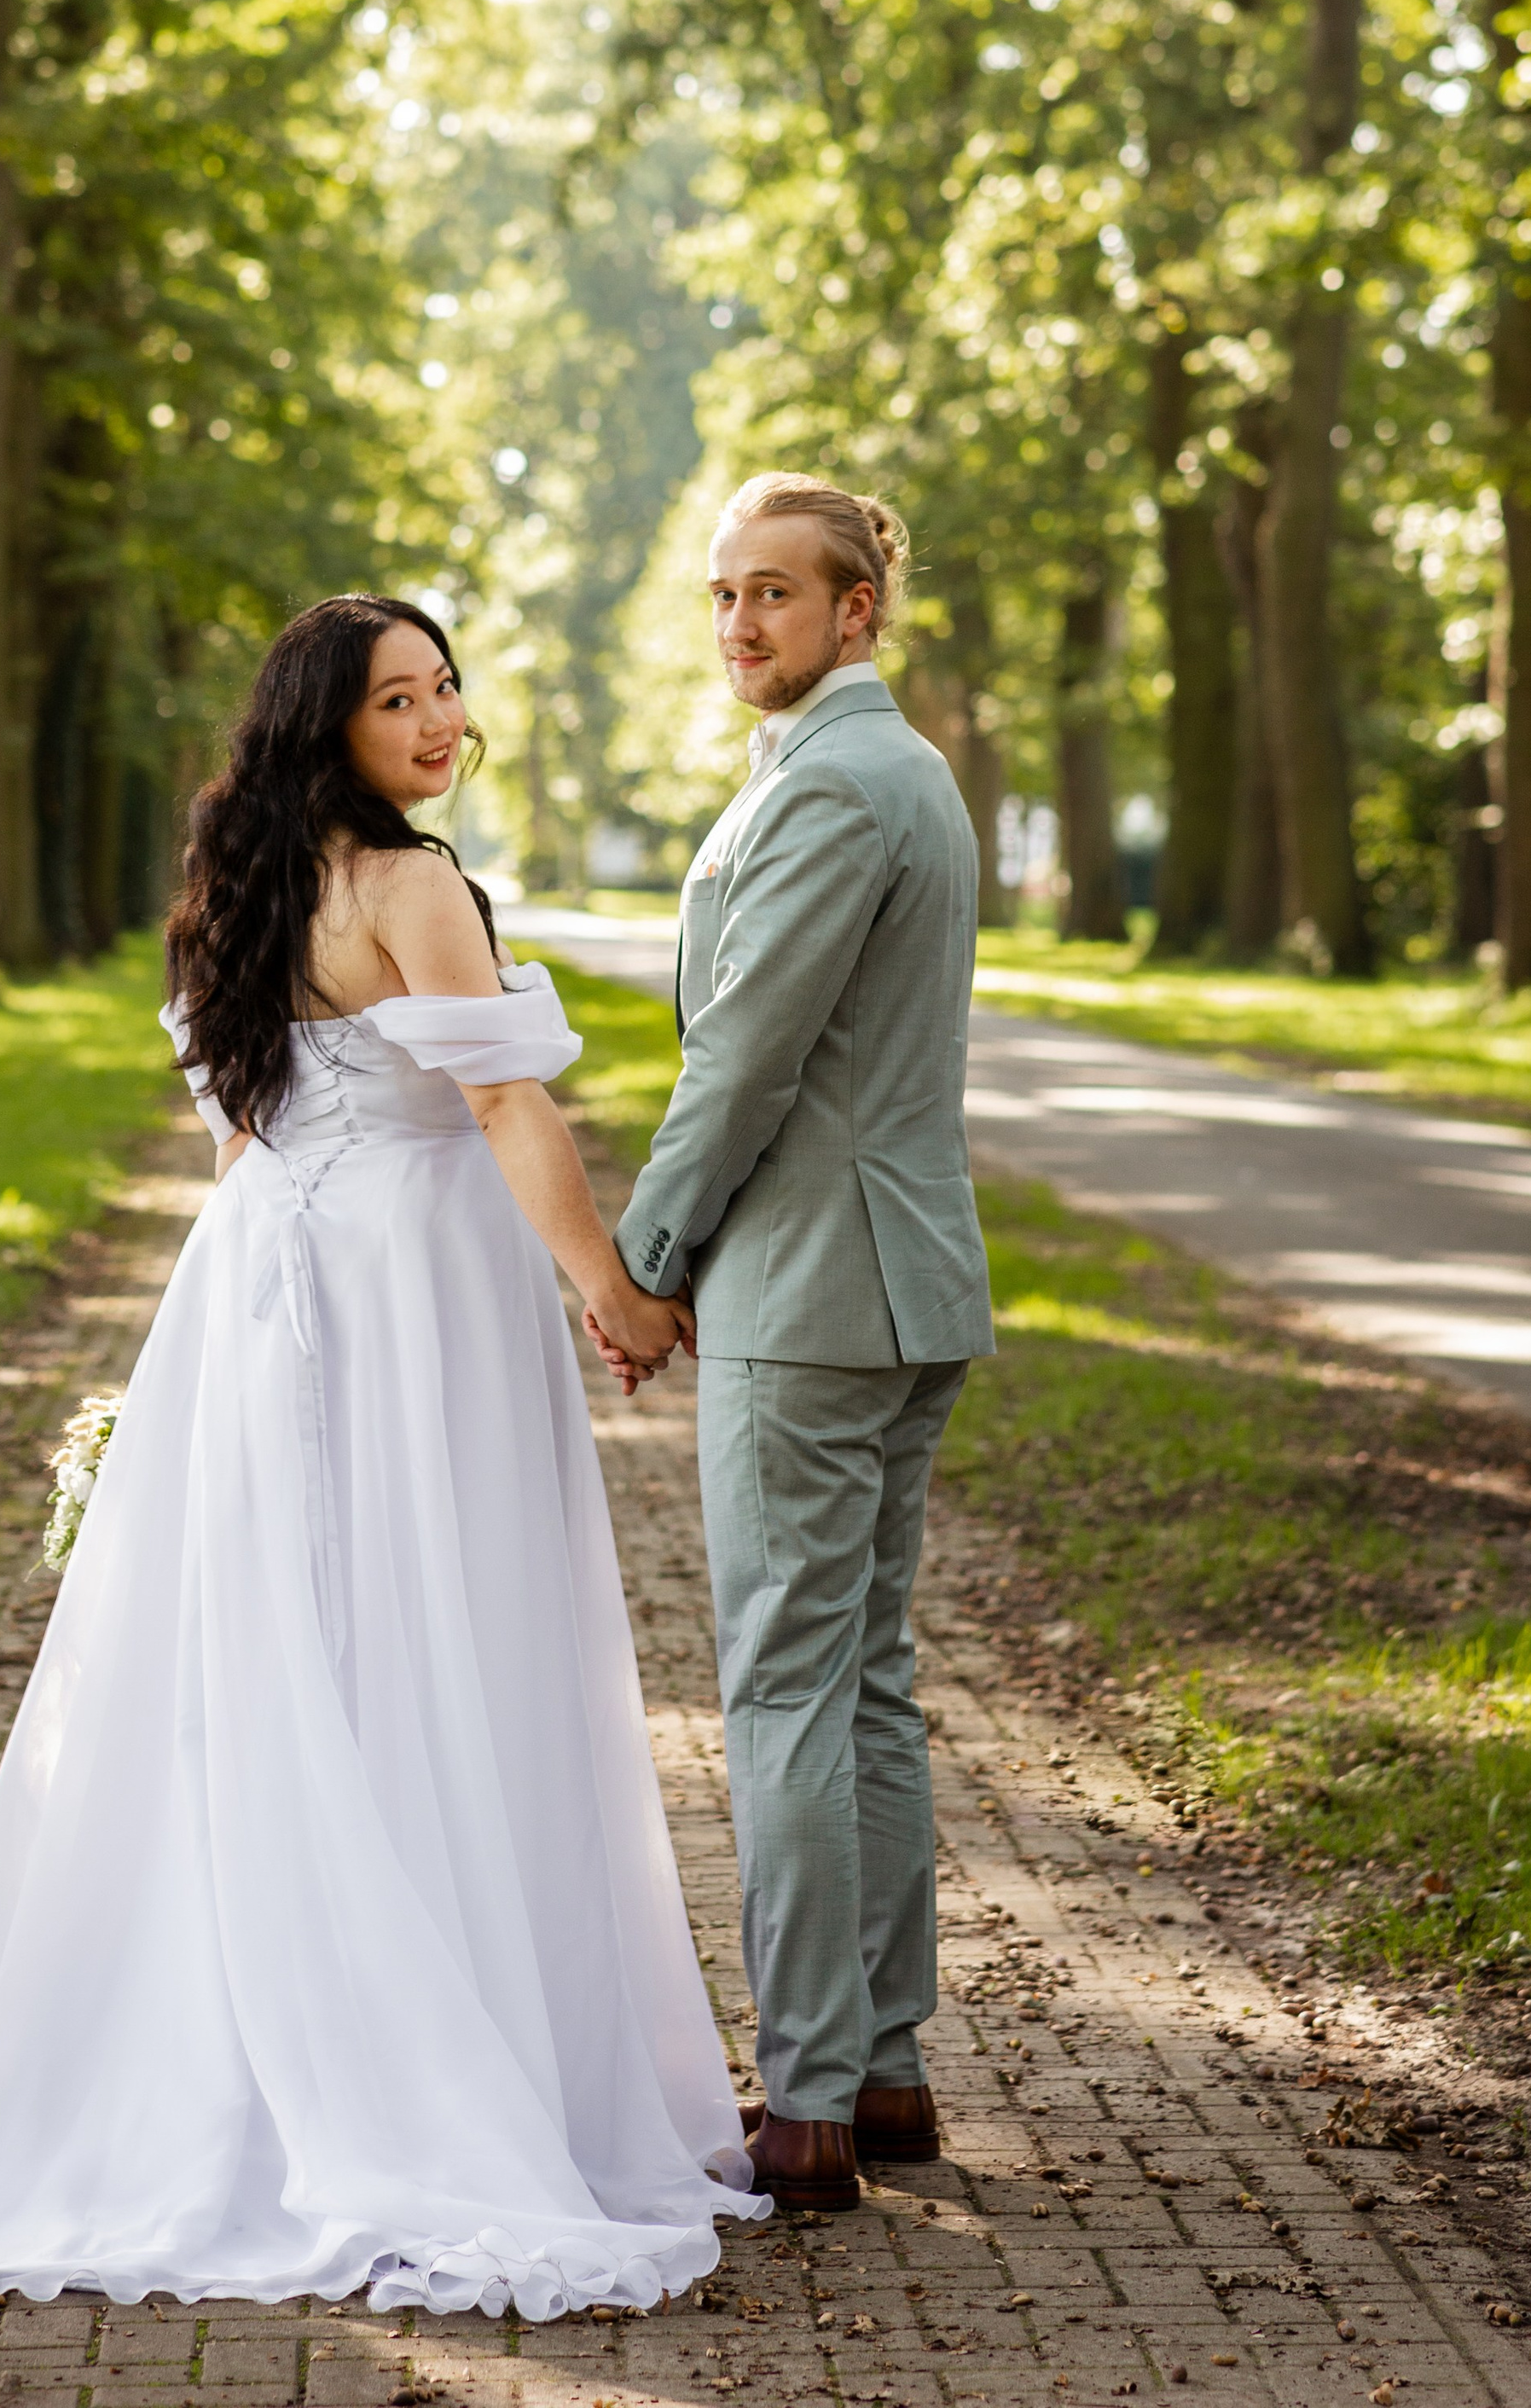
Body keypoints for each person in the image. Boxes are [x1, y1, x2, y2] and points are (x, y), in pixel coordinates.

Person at [0, 594, 762, 2319]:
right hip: (405, 1289)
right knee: (439, 1632)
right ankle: (430, 2059)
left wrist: (186, 1379)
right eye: (397, 699)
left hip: (258, 1287)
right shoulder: (411, 888)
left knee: (298, 1645)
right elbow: (505, 1107)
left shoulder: (229, 889)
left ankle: (268, 2028)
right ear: (327, 725)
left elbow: (239, 1143)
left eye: (446, 688)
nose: (439, 722)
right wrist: (614, 1289)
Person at [592, 474, 993, 2215]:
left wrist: (641, 1259)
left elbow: (745, 1057)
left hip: (814, 1296)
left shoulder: (838, 780)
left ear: (855, 610)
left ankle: (810, 2099)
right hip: (893, 1286)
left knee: (782, 1687)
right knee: (864, 1681)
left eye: (774, 592)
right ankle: (885, 2072)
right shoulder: (872, 768)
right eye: (720, 594)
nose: (740, 622)